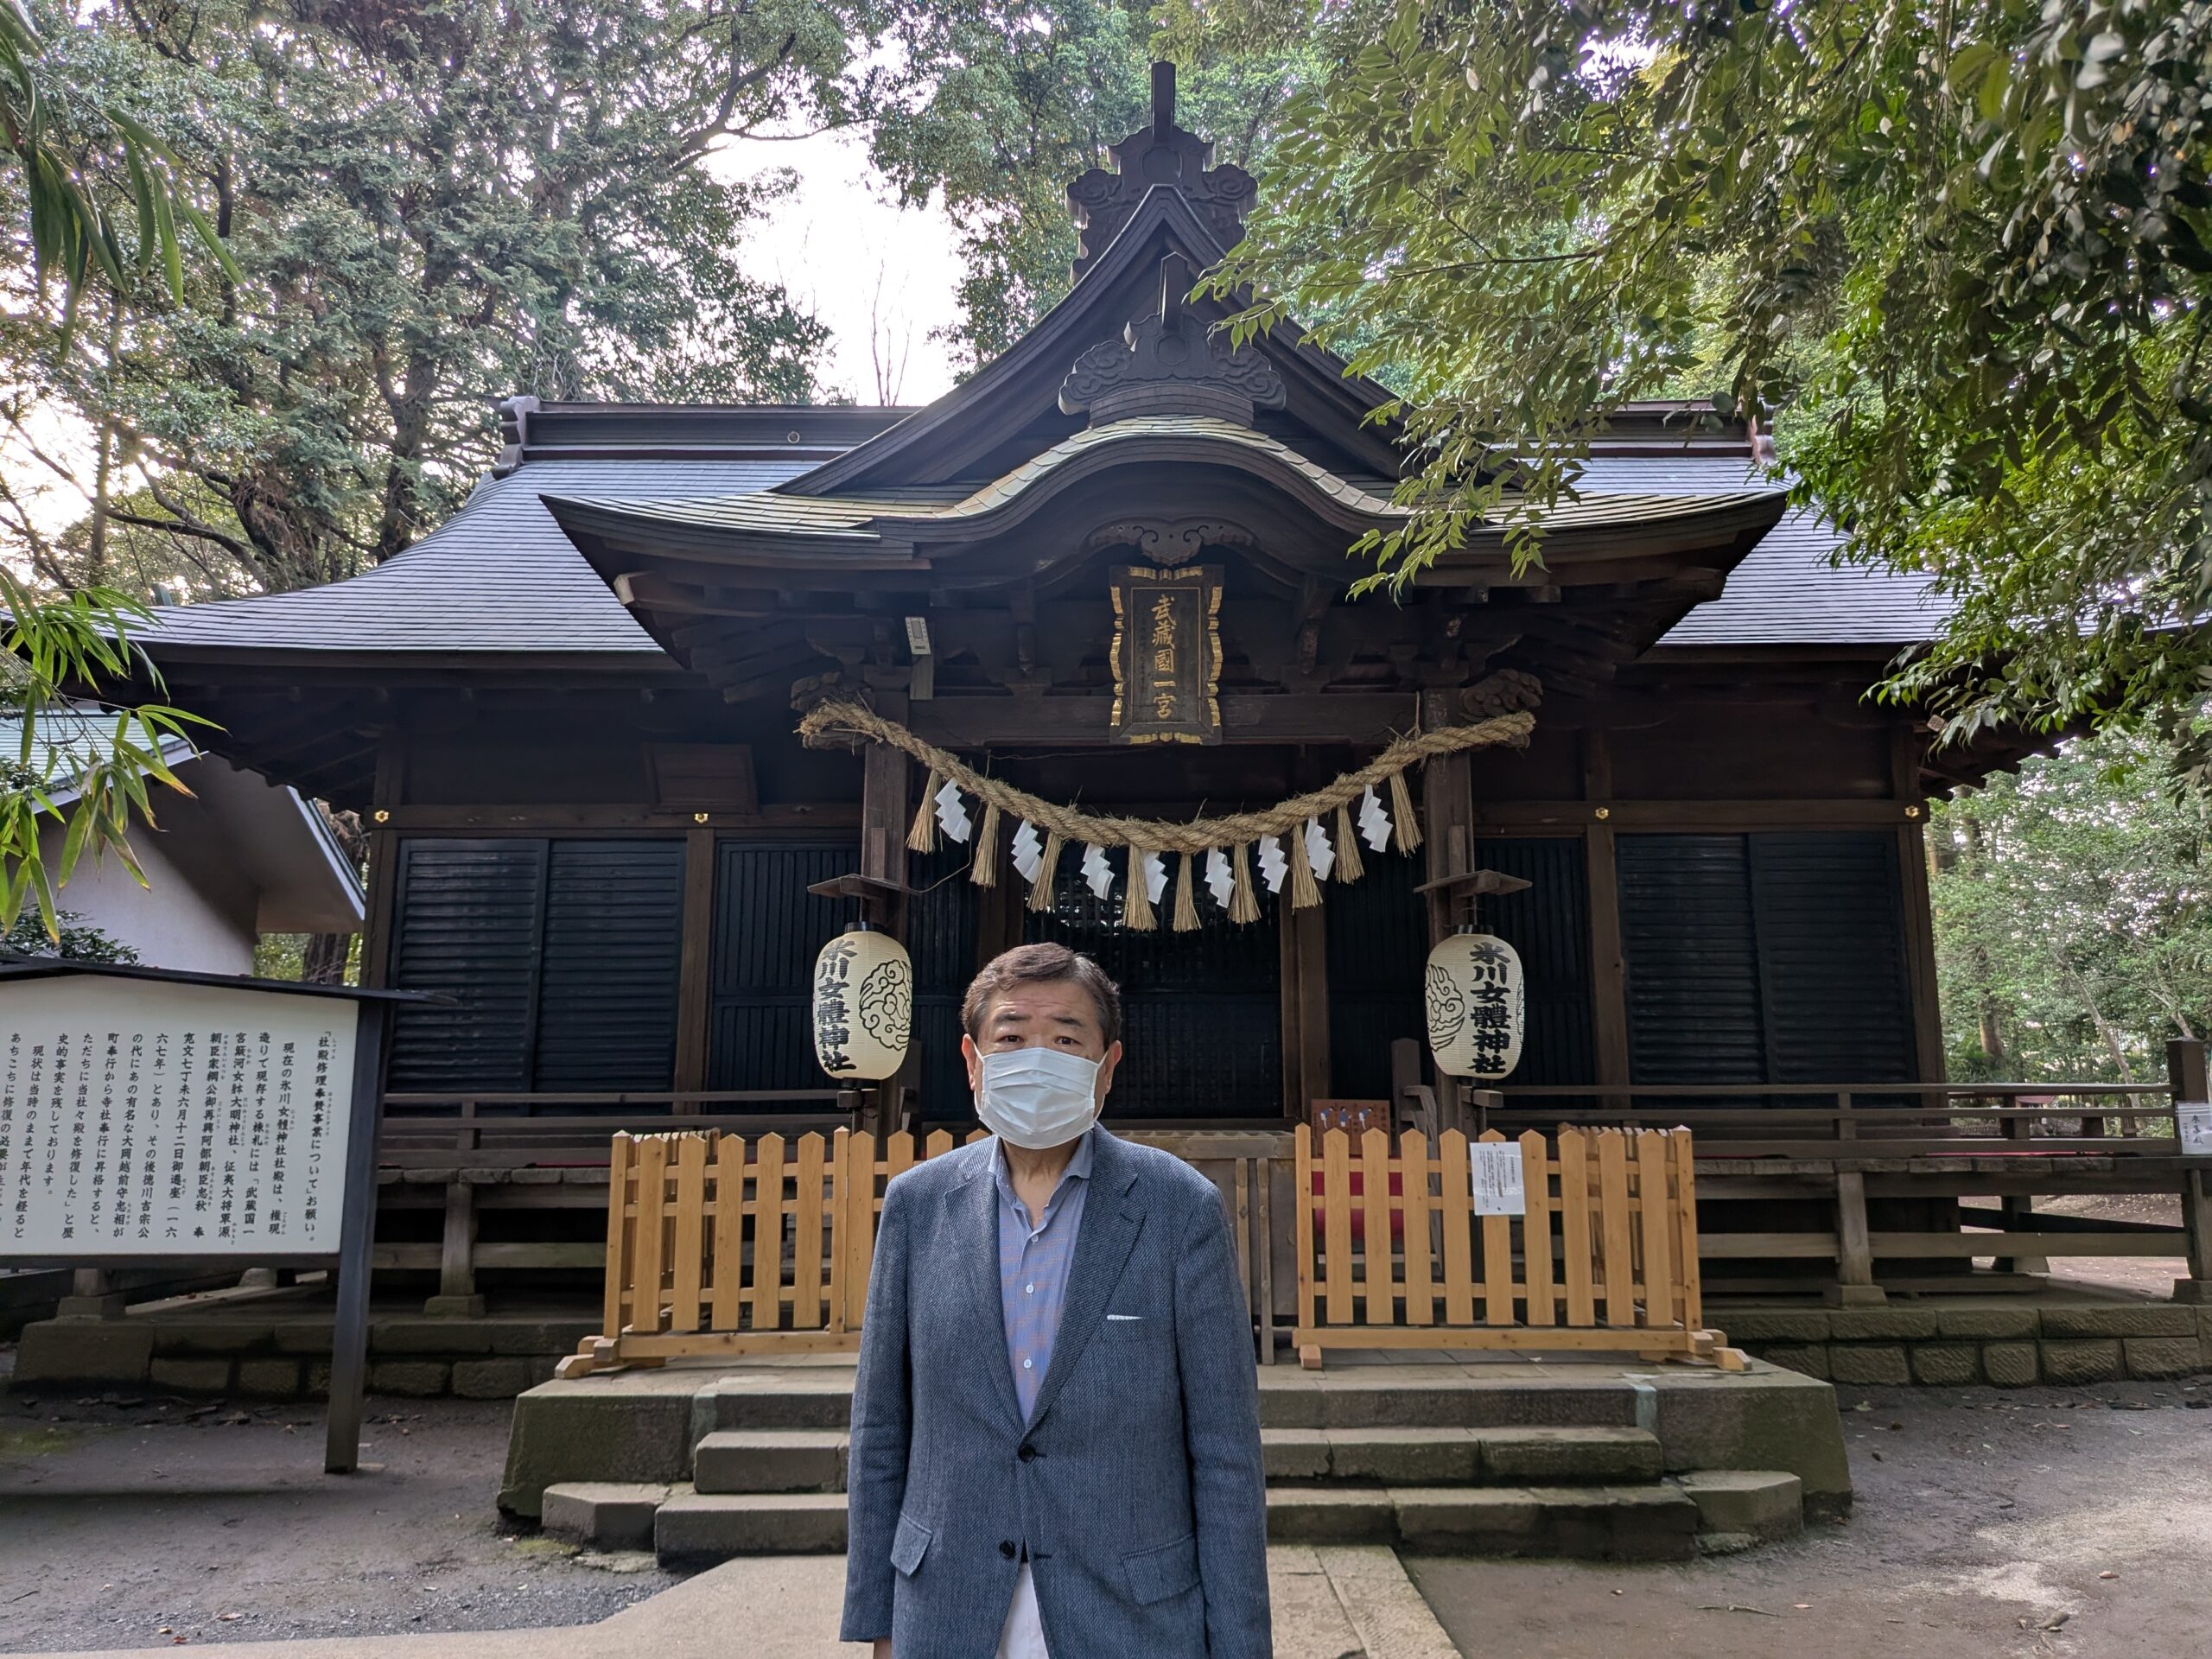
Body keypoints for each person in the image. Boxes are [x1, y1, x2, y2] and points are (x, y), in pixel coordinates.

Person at [839, 942, 1270, 1659]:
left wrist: (1241, 1646)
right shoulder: (918, 1208)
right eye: (1011, 1038)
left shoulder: (1178, 1209)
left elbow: (1225, 1452)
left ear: (1108, 1067)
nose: (1037, 1058)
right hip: (947, 1606)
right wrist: (877, 1619)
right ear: (974, 1062)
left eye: (1066, 1039)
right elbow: (881, 1428)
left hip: (1132, 1617)